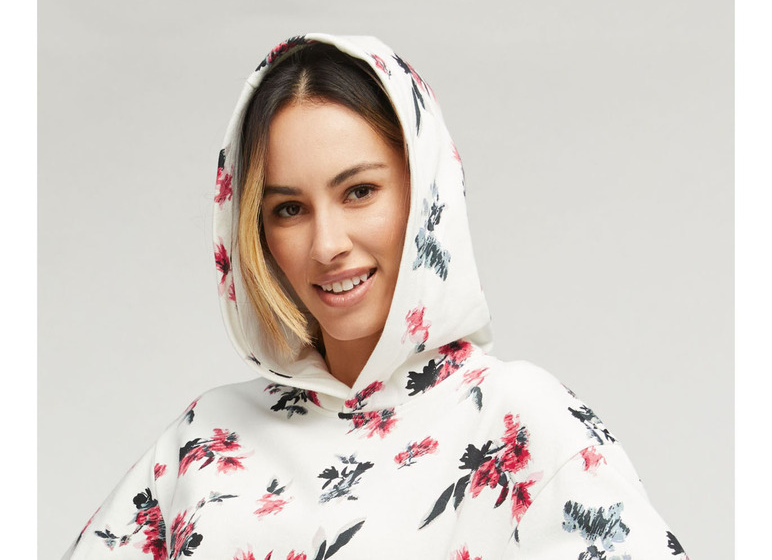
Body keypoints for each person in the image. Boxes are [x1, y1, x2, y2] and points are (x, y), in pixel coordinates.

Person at [63, 34, 688, 560]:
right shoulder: (205, 440)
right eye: (289, 209)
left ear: (425, 193)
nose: (327, 245)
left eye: (358, 192)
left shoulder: (520, 423)